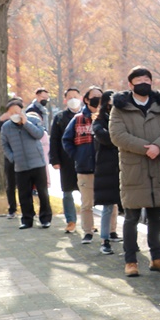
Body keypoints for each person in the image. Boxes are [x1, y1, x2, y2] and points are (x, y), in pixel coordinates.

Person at [109, 66, 160, 278]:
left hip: (157, 166)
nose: (143, 82)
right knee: (131, 217)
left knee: (156, 216)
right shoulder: (120, 108)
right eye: (139, 79)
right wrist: (146, 148)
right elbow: (117, 135)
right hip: (133, 169)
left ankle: (157, 258)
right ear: (130, 84)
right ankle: (130, 261)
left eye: (147, 78)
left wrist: (158, 146)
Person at [1, 99, 52, 229]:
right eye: (11, 113)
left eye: (17, 112)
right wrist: (13, 158)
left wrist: (26, 123)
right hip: (20, 166)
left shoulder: (33, 120)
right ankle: (27, 219)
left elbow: (39, 134)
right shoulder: (6, 127)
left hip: (37, 163)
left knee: (42, 192)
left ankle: (45, 218)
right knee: (24, 194)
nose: (14, 115)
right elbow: (4, 145)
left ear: (22, 111)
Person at [63, 86, 103, 244]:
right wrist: (78, 156)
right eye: (94, 96)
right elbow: (66, 140)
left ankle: (111, 232)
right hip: (85, 168)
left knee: (111, 202)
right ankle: (87, 231)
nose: (97, 100)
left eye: (100, 97)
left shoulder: (107, 118)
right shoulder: (78, 118)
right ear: (86, 99)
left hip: (105, 168)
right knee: (86, 203)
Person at [92, 91, 123, 255]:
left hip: (123, 166)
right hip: (106, 169)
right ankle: (104, 240)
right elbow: (106, 138)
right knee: (108, 207)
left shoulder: (123, 117)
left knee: (128, 207)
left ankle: (118, 236)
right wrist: (119, 136)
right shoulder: (98, 121)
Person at [50, 87, 83, 233]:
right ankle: (71, 220)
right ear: (65, 100)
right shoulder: (59, 118)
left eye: (75, 96)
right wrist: (55, 159)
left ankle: (88, 221)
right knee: (67, 192)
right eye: (69, 97)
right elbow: (54, 140)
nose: (73, 99)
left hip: (84, 160)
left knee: (86, 192)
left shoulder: (88, 115)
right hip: (66, 160)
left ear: (81, 98)